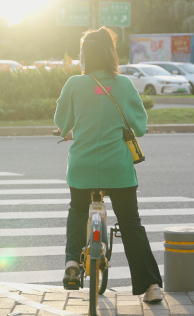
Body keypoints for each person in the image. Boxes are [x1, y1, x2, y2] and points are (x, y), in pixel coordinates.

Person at [54, 27, 163, 302]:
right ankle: (151, 286)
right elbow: (140, 126)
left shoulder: (74, 84)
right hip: (118, 170)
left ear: (85, 55)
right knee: (130, 223)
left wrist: (71, 130)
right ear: (110, 54)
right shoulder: (124, 84)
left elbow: (62, 123)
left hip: (82, 169)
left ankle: (71, 263)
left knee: (78, 209)